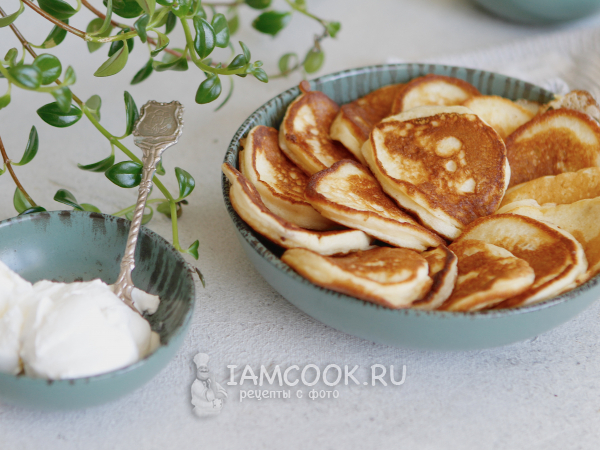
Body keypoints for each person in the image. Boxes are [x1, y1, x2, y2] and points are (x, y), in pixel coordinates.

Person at [191, 353, 227, 417]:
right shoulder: (196, 385)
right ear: (197, 371)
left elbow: (224, 393)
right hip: (201, 414)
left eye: (205, 368)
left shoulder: (210, 381)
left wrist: (216, 393)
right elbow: (210, 397)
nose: (204, 370)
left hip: (217, 414)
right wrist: (213, 382)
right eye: (201, 369)